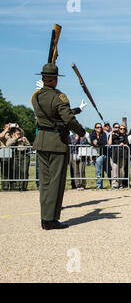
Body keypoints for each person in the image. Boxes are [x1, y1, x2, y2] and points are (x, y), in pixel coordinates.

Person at [31, 63, 86, 230]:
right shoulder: (59, 97)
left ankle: (44, 217)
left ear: (42, 78)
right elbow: (68, 118)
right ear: (55, 80)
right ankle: (51, 219)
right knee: (56, 182)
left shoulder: (36, 96)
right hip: (56, 141)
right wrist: (81, 132)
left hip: (42, 140)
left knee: (45, 183)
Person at [6, 126, 31, 191]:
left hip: (24, 155)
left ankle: (23, 187)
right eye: (17, 133)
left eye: (19, 133)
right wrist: (15, 138)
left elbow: (29, 146)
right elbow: (8, 144)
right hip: (15, 155)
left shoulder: (23, 138)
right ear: (14, 133)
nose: (19, 134)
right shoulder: (11, 138)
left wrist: (25, 141)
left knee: (24, 171)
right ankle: (16, 186)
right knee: (15, 171)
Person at [109, 124, 129, 189]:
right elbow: (109, 143)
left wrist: (123, 144)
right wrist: (111, 134)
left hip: (122, 154)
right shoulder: (112, 135)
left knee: (121, 169)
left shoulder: (124, 136)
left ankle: (120, 184)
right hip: (114, 154)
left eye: (123, 129)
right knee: (115, 169)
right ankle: (115, 184)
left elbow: (127, 143)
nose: (120, 130)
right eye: (119, 128)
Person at [90, 122, 109, 189]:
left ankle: (100, 185)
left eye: (100, 127)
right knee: (99, 170)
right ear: (95, 128)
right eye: (98, 127)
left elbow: (104, 143)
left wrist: (97, 143)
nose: (99, 128)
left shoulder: (103, 134)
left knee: (104, 169)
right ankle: (99, 185)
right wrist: (96, 143)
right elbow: (92, 143)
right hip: (95, 155)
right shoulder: (92, 134)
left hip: (103, 154)